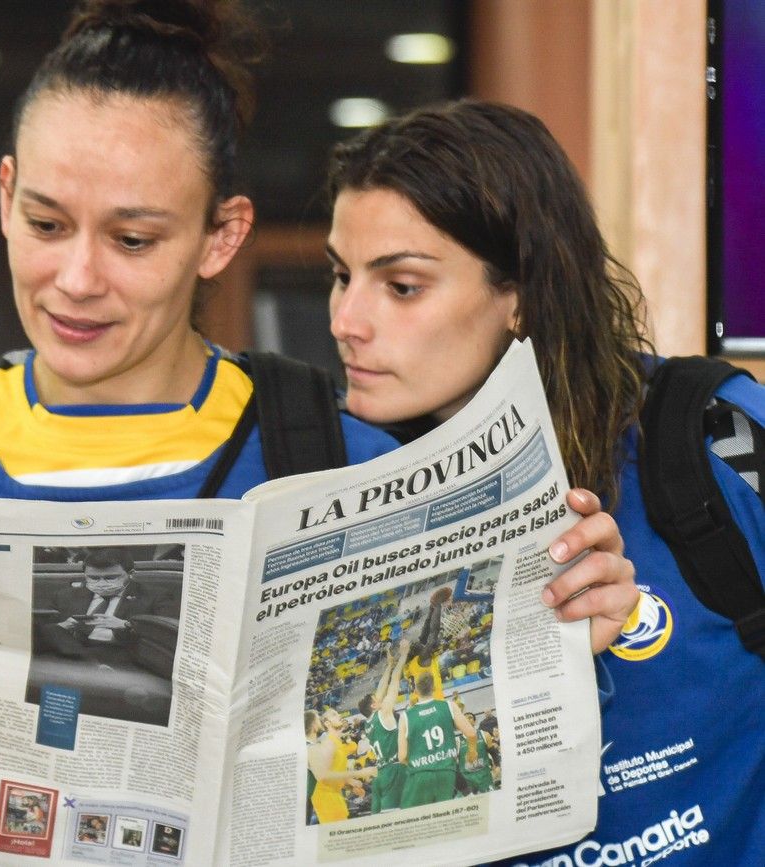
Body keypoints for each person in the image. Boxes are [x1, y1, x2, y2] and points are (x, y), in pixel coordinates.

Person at [0, 3, 636, 862]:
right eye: (46, 223)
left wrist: (553, 631)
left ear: (222, 237)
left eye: (134, 239)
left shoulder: (345, 460)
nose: (76, 279)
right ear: (2, 196)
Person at [324, 98, 763, 863]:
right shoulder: (330, 481)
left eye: (401, 286)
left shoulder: (711, 434)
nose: (346, 319)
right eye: (339, 275)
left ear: (519, 294)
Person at [35, 547, 177, 660]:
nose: (102, 583)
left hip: (122, 657)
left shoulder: (156, 596)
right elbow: (44, 633)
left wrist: (126, 626)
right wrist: (63, 627)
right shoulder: (65, 596)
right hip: (71, 655)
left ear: (131, 574)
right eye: (94, 578)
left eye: (111, 577)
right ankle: (91, 664)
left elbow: (166, 635)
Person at [397, 671, 477, 809]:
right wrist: (472, 751)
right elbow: (471, 734)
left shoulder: (405, 716)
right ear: (434, 688)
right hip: (448, 772)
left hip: (422, 776)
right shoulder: (449, 706)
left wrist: (419, 763)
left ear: (415, 690)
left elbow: (402, 756)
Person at [358, 637, 410, 813]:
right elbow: (395, 681)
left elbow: (380, 689)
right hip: (395, 769)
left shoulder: (368, 723)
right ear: (374, 705)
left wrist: (388, 665)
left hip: (382, 772)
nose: (378, 697)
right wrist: (403, 656)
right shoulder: (383, 712)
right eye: (376, 699)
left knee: (388, 815)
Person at [307, 706, 375, 823]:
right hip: (326, 798)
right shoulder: (328, 742)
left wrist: (349, 783)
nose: (339, 716)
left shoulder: (337, 742)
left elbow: (335, 771)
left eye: (338, 713)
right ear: (327, 723)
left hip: (334, 796)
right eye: (334, 714)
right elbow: (324, 776)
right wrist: (360, 773)